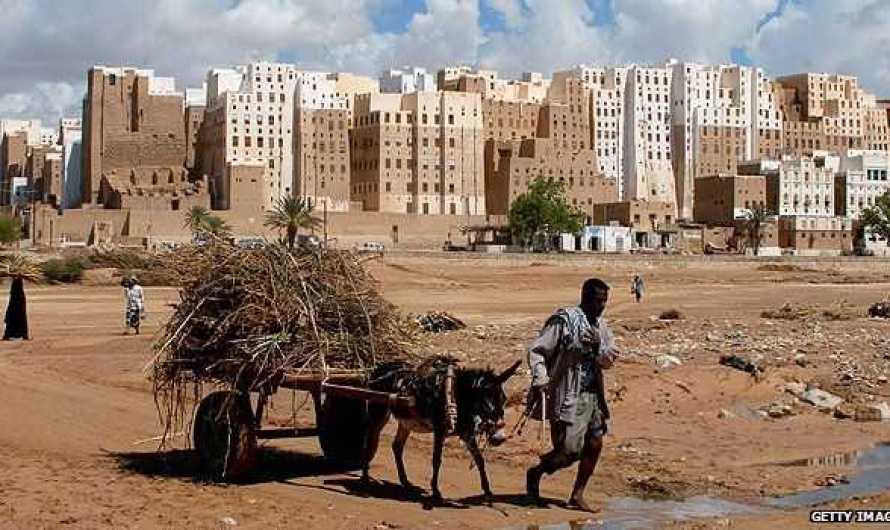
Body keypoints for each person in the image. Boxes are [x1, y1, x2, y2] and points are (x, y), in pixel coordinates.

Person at [526, 278, 618, 513]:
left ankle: (577, 494)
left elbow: (608, 361)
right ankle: (538, 471)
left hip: (593, 395)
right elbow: (537, 351)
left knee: (595, 443)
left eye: (605, 301)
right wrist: (540, 378)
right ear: (586, 298)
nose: (602, 305)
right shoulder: (564, 321)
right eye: (598, 300)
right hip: (568, 394)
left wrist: (599, 346)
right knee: (570, 450)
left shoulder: (602, 327)